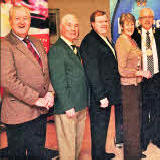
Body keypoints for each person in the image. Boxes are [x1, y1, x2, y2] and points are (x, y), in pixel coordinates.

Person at [0, 5, 54, 160]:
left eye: (25, 18)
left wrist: (50, 91)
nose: (22, 22)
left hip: (40, 112)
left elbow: (46, 71)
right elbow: (8, 80)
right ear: (10, 21)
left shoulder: (37, 42)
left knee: (37, 154)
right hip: (18, 115)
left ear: (30, 21)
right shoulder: (5, 46)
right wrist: (36, 99)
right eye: (17, 18)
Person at [79, 10, 121, 160]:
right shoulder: (90, 41)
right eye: (100, 21)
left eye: (105, 21)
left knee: (102, 126)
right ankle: (97, 156)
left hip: (107, 93)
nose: (104, 24)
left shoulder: (104, 38)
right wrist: (101, 96)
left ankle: (101, 153)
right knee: (98, 127)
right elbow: (92, 72)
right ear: (92, 24)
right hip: (100, 95)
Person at [48, 14, 88, 160]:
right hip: (68, 107)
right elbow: (58, 80)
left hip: (80, 104)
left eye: (76, 25)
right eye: (69, 25)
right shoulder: (57, 50)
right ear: (61, 27)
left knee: (76, 145)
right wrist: (67, 105)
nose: (73, 29)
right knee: (67, 148)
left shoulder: (74, 48)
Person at [115, 12, 151, 160]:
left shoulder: (131, 40)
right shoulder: (122, 42)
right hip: (128, 87)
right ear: (121, 26)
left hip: (136, 86)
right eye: (126, 24)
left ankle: (135, 152)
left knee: (136, 122)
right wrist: (140, 72)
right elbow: (121, 70)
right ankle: (131, 156)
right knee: (131, 124)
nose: (130, 27)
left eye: (131, 24)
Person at [131, 8, 160, 151]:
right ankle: (144, 139)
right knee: (144, 111)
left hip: (157, 77)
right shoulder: (133, 34)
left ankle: (157, 138)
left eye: (150, 17)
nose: (147, 19)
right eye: (144, 17)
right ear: (139, 20)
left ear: (153, 19)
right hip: (141, 79)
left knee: (157, 109)